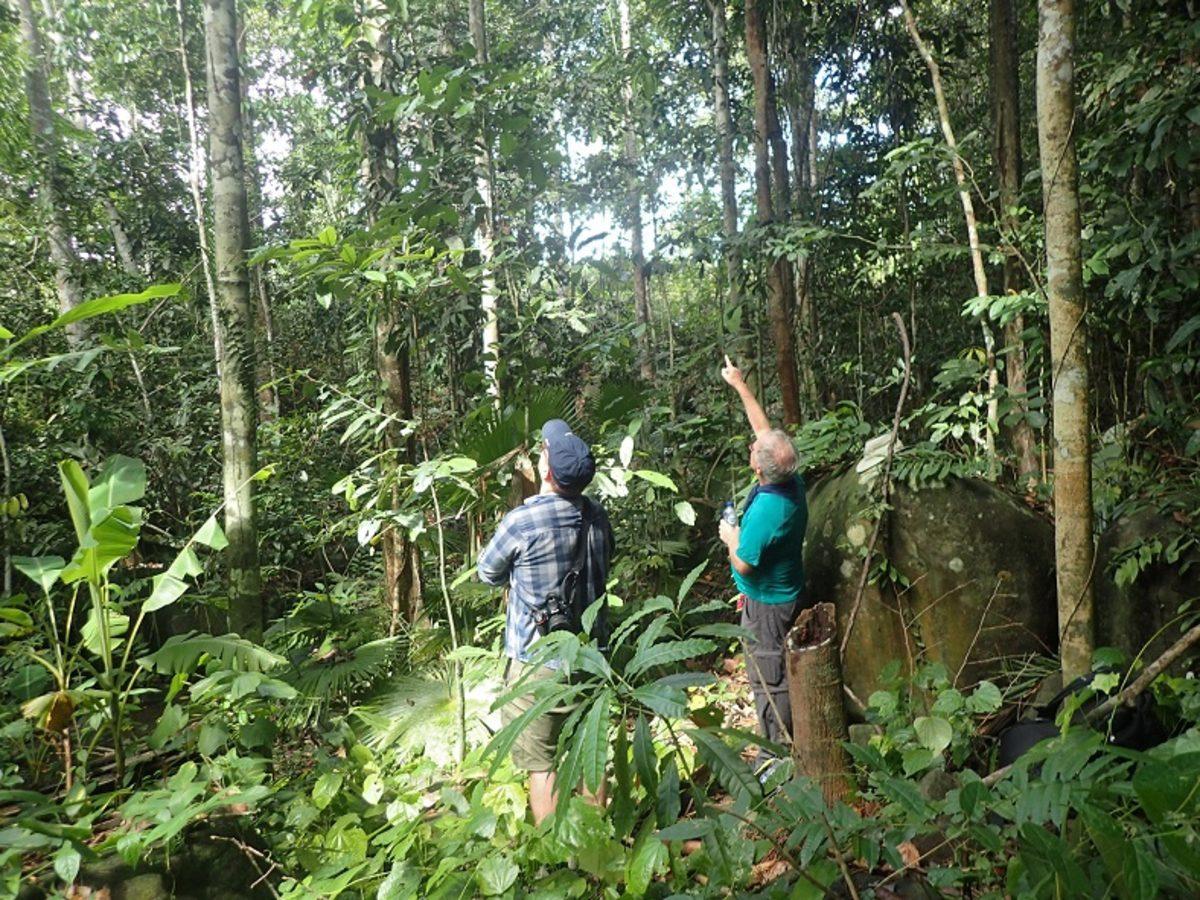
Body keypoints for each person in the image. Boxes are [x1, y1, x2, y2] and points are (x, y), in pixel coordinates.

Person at [477, 419, 615, 824]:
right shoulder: (598, 516)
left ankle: (555, 853)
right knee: (590, 754)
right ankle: (597, 847)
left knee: (542, 764)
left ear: (547, 469)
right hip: (592, 655)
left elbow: (487, 572)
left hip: (536, 661)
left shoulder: (522, 521)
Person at [717, 355, 809, 771]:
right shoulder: (788, 478)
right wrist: (739, 384)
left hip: (769, 606)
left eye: (755, 450)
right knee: (773, 669)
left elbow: (745, 565)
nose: (753, 444)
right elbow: (763, 430)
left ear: (759, 467)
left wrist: (730, 538)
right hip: (781, 592)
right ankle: (779, 749)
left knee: (768, 675)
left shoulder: (770, 510)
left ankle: (775, 758)